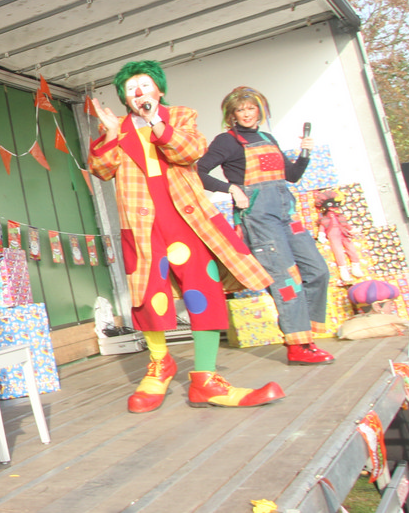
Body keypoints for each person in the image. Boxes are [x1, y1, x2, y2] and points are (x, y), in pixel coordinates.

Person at [88, 62, 283, 411]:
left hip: (187, 221)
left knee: (202, 291)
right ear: (124, 98)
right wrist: (111, 133)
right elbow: (101, 169)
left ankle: (205, 378)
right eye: (131, 89)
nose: (138, 92)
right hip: (141, 225)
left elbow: (189, 152)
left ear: (159, 91)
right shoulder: (116, 129)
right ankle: (160, 363)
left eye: (145, 85)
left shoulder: (180, 116)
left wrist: (154, 121)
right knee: (147, 294)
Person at [196, 86, 333, 365]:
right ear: (232, 115)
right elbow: (197, 172)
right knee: (286, 280)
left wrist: (305, 154)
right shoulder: (226, 141)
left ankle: (304, 333)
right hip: (258, 216)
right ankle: (298, 345)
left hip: (286, 213)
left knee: (318, 271)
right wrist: (231, 189)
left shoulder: (267, 138)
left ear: (260, 110)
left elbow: (292, 176)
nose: (246, 114)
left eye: (251, 108)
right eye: (240, 110)